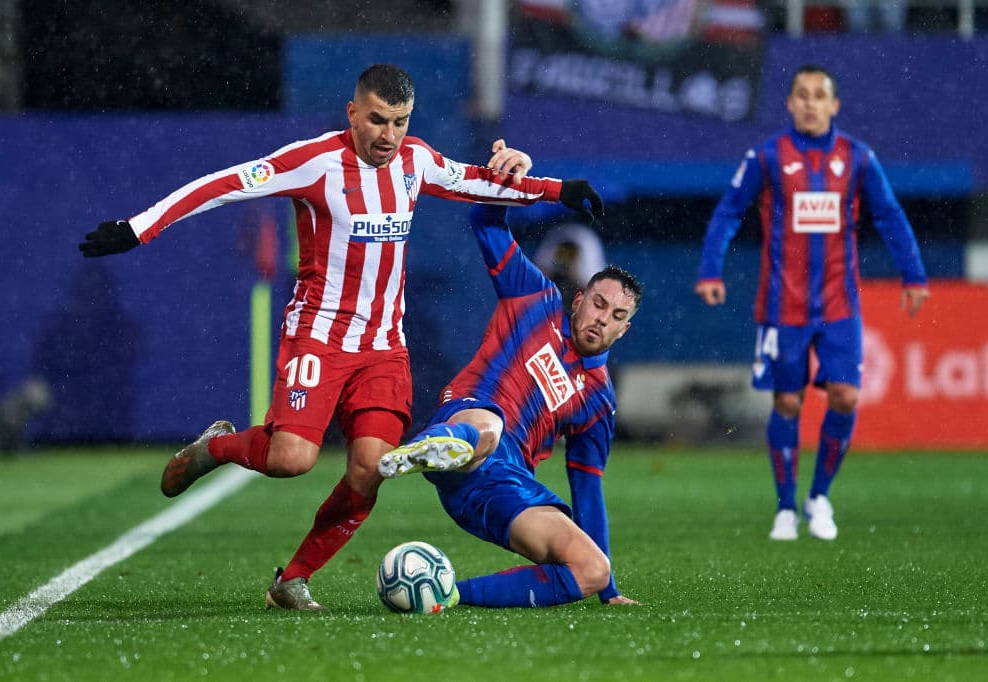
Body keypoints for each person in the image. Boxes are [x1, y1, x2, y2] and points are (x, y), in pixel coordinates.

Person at [78, 64, 604, 610]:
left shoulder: (414, 160)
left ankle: (293, 580)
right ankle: (217, 446)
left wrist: (560, 190)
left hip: (383, 350)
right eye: (378, 120)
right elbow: (226, 184)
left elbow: (474, 178)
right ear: (353, 113)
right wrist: (141, 227)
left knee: (371, 468)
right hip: (319, 339)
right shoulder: (314, 163)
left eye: (400, 121)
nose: (389, 135)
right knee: (291, 460)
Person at [694, 64, 929, 542]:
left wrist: (914, 274)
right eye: (801, 94)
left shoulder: (857, 158)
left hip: (840, 304)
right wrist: (710, 269)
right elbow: (729, 210)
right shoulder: (767, 155)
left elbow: (889, 215)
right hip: (784, 306)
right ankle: (784, 507)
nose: (809, 103)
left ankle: (819, 496)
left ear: (834, 105)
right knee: (786, 401)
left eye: (819, 95)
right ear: (790, 102)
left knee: (846, 396)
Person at [379, 204, 642, 608]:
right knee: (489, 428)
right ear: (578, 301)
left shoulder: (598, 398)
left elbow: (587, 488)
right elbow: (484, 221)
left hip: (503, 486)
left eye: (617, 316)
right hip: (471, 417)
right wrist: (502, 186)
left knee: (591, 569)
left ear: (624, 331)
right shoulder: (535, 298)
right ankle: (432, 446)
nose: (602, 319)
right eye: (599, 304)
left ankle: (443, 596)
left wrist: (609, 592)